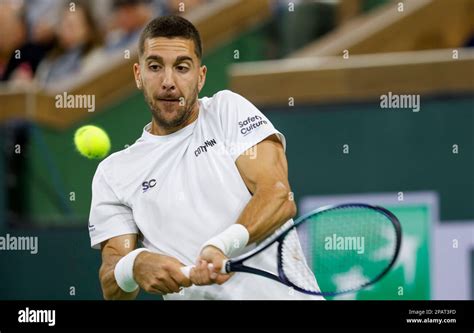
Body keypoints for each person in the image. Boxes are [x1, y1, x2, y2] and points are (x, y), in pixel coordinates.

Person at [89, 15, 324, 300]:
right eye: (154, 67)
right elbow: (112, 285)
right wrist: (133, 265)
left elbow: (278, 195)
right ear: (139, 75)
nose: (168, 81)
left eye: (182, 67)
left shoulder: (227, 111)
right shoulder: (114, 173)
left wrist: (221, 245)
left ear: (200, 76)